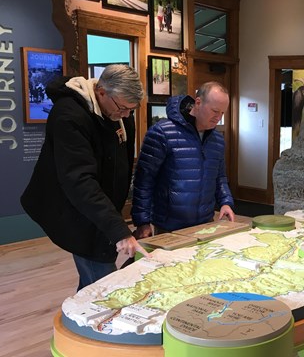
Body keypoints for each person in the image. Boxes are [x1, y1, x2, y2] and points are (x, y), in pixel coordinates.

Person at [21, 64, 150, 291]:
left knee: (94, 281)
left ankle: (78, 318)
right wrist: (119, 230)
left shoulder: (120, 114)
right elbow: (79, 180)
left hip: (101, 207)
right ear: (101, 92)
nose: (127, 115)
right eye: (123, 108)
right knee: (105, 284)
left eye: (133, 109)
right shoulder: (69, 115)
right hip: (73, 206)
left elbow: (123, 165)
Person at [132, 81, 235, 238]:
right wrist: (142, 221)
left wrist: (225, 202)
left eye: (222, 113)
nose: (218, 118)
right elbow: (144, 180)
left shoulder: (217, 140)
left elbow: (219, 177)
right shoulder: (162, 132)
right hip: (169, 225)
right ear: (198, 103)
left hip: (205, 223)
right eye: (215, 111)